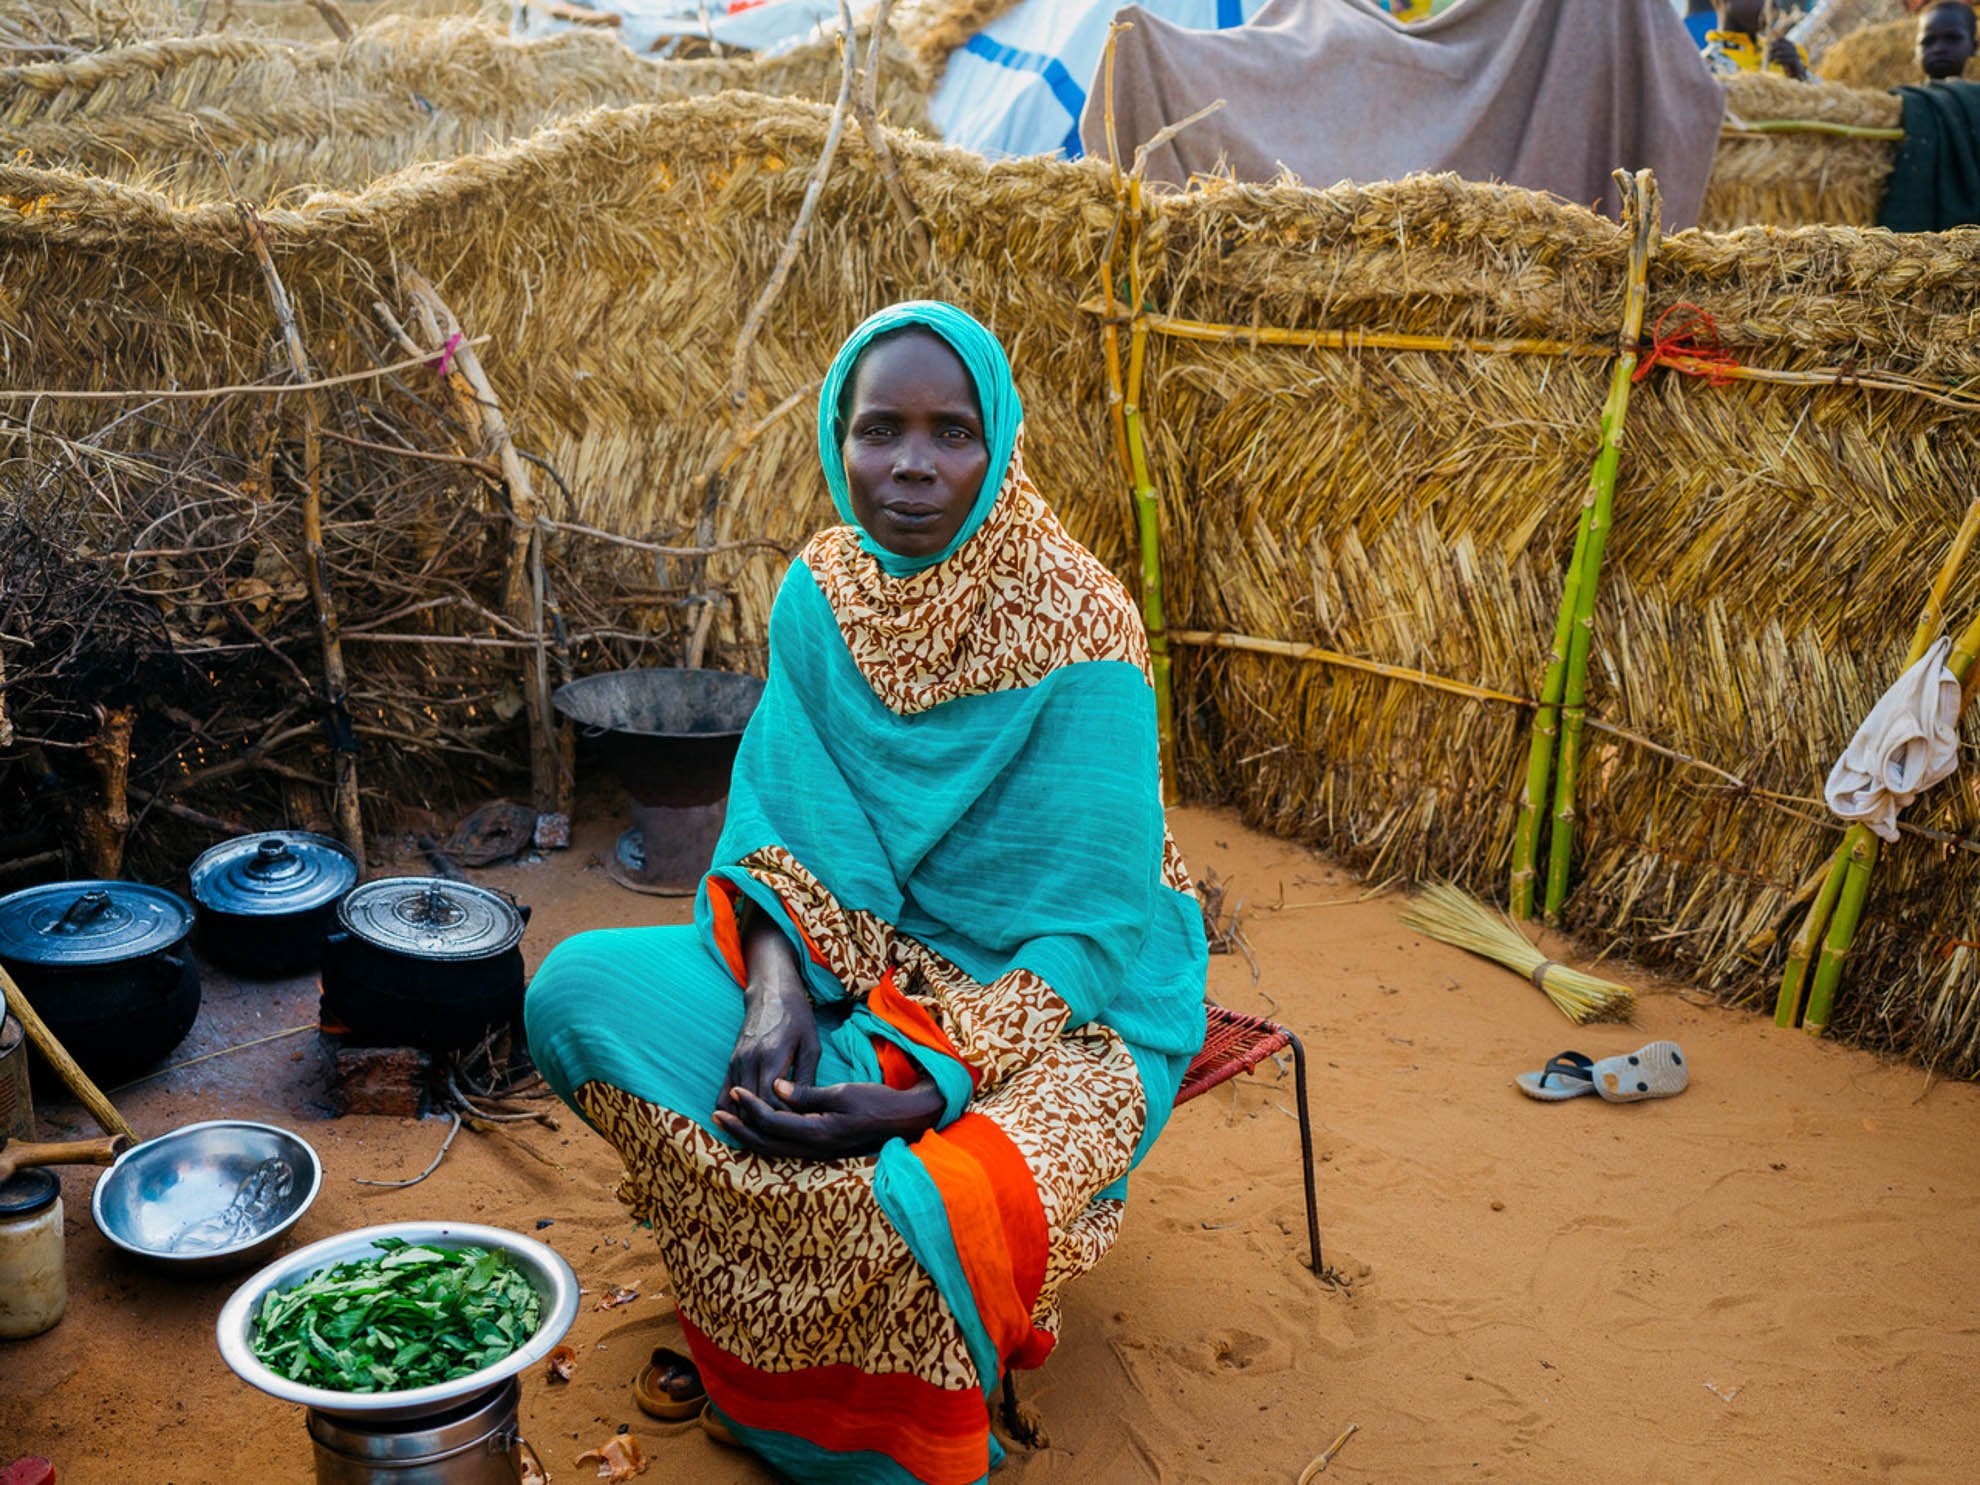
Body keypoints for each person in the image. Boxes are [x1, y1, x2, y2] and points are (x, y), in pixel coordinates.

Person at [524, 301, 1210, 1484]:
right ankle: (755, 1328)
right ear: (838, 437)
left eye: (952, 432)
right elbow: (793, 817)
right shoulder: (822, 589)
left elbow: (1098, 928)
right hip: (855, 953)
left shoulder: (1084, 626)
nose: (911, 464)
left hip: (1067, 1005)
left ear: (1000, 443)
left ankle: (876, 1429)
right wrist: (773, 987)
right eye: (879, 427)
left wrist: (926, 1087)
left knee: (930, 1197)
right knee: (579, 992)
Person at [1703, 0, 1814, 77]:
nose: (1772, 5)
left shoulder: (1786, 53)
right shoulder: (1709, 66)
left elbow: (1822, 100)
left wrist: (1797, 71)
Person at [1917, 0, 1978, 77]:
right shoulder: (1901, 89)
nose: (1938, 49)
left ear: (1973, 47)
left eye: (1952, 39)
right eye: (1928, 41)